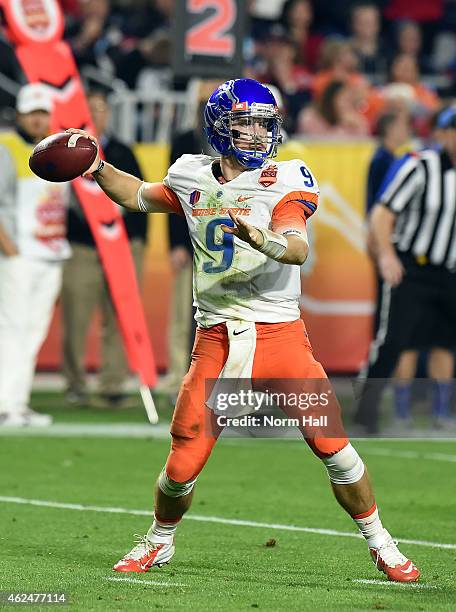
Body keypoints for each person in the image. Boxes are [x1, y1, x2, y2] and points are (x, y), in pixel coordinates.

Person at [66, 79, 420, 582]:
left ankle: (382, 542)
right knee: (183, 462)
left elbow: (297, 245)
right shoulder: (190, 174)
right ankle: (159, 539)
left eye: (263, 123)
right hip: (216, 339)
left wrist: (267, 241)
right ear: (218, 127)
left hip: (280, 337)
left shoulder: (285, 178)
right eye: (245, 122)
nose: (256, 134)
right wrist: (98, 168)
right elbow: (139, 196)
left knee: (334, 447)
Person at [355, 106, 456, 434]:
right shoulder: (420, 165)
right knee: (396, 340)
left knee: (446, 341)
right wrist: (386, 255)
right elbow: (382, 214)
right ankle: (369, 411)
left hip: (451, 270)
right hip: (412, 266)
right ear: (441, 134)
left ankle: (441, 412)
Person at [62, 90, 146, 409]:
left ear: (109, 114)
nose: (96, 115)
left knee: (120, 315)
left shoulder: (123, 150)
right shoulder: (66, 150)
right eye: (90, 108)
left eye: (101, 108)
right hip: (82, 245)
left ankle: (112, 384)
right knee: (76, 316)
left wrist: (138, 242)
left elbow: (142, 195)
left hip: (121, 245)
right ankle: (75, 384)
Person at [0, 84, 71, 426]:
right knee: (12, 327)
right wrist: (8, 248)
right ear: (20, 115)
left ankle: (17, 402)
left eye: (43, 113)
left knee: (33, 330)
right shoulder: (6, 147)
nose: (38, 120)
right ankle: (5, 404)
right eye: (32, 113)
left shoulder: (56, 152)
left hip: (50, 252)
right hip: (19, 253)